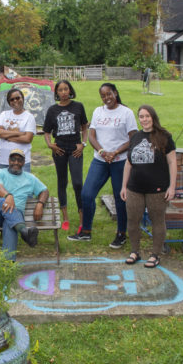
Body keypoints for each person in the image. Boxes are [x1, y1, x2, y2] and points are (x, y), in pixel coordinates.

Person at [67, 82, 138, 249]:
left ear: (115, 93)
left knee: (120, 197)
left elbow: (133, 138)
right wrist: (102, 152)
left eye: (109, 94)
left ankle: (121, 234)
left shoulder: (126, 113)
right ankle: (86, 231)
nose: (106, 98)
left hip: (120, 161)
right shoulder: (98, 111)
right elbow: (91, 136)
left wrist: (115, 152)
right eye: (103, 96)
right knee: (86, 194)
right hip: (100, 160)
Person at [120, 105, 177, 268]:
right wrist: (124, 186)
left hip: (157, 189)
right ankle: (135, 251)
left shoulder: (164, 136)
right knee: (133, 220)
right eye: (141, 117)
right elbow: (128, 163)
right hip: (134, 187)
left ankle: (155, 254)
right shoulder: (135, 137)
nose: (144, 119)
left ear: (153, 117)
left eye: (147, 116)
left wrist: (172, 187)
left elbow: (172, 162)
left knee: (157, 220)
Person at [0, 149, 49, 261]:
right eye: (13, 159)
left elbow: (44, 190)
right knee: (4, 202)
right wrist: (8, 196)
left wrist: (40, 204)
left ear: (24, 162)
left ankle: (8, 264)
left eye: (19, 160)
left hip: (14, 219)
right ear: (8, 160)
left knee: (10, 224)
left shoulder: (30, 178)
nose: (16, 162)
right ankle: (24, 232)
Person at [43, 80, 89, 233]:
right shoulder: (52, 110)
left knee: (77, 183)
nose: (63, 92)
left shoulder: (78, 106)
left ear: (70, 90)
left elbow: (84, 127)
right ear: (56, 92)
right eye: (60, 90)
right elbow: (47, 131)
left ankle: (82, 218)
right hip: (60, 150)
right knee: (62, 181)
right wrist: (50, 144)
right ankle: (65, 218)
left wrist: (83, 144)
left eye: (66, 89)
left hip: (75, 149)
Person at [0, 88, 36, 172]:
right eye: (12, 99)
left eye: (17, 98)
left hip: (21, 161)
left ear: (22, 98)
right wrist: (19, 133)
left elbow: (27, 139)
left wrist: (6, 136)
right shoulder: (4, 114)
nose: (15, 101)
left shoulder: (29, 117)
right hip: (4, 159)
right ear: (9, 102)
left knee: (23, 181)